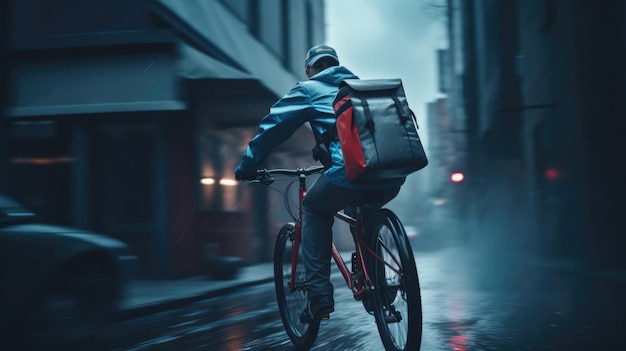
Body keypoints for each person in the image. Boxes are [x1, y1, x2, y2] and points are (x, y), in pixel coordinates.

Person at [234, 45, 405, 322]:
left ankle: (319, 296)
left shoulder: (309, 89)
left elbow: (274, 126)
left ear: (309, 69)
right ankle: (379, 290)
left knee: (314, 209)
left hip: (349, 174)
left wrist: (247, 165)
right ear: (337, 64)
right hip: (391, 174)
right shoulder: (358, 86)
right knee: (363, 215)